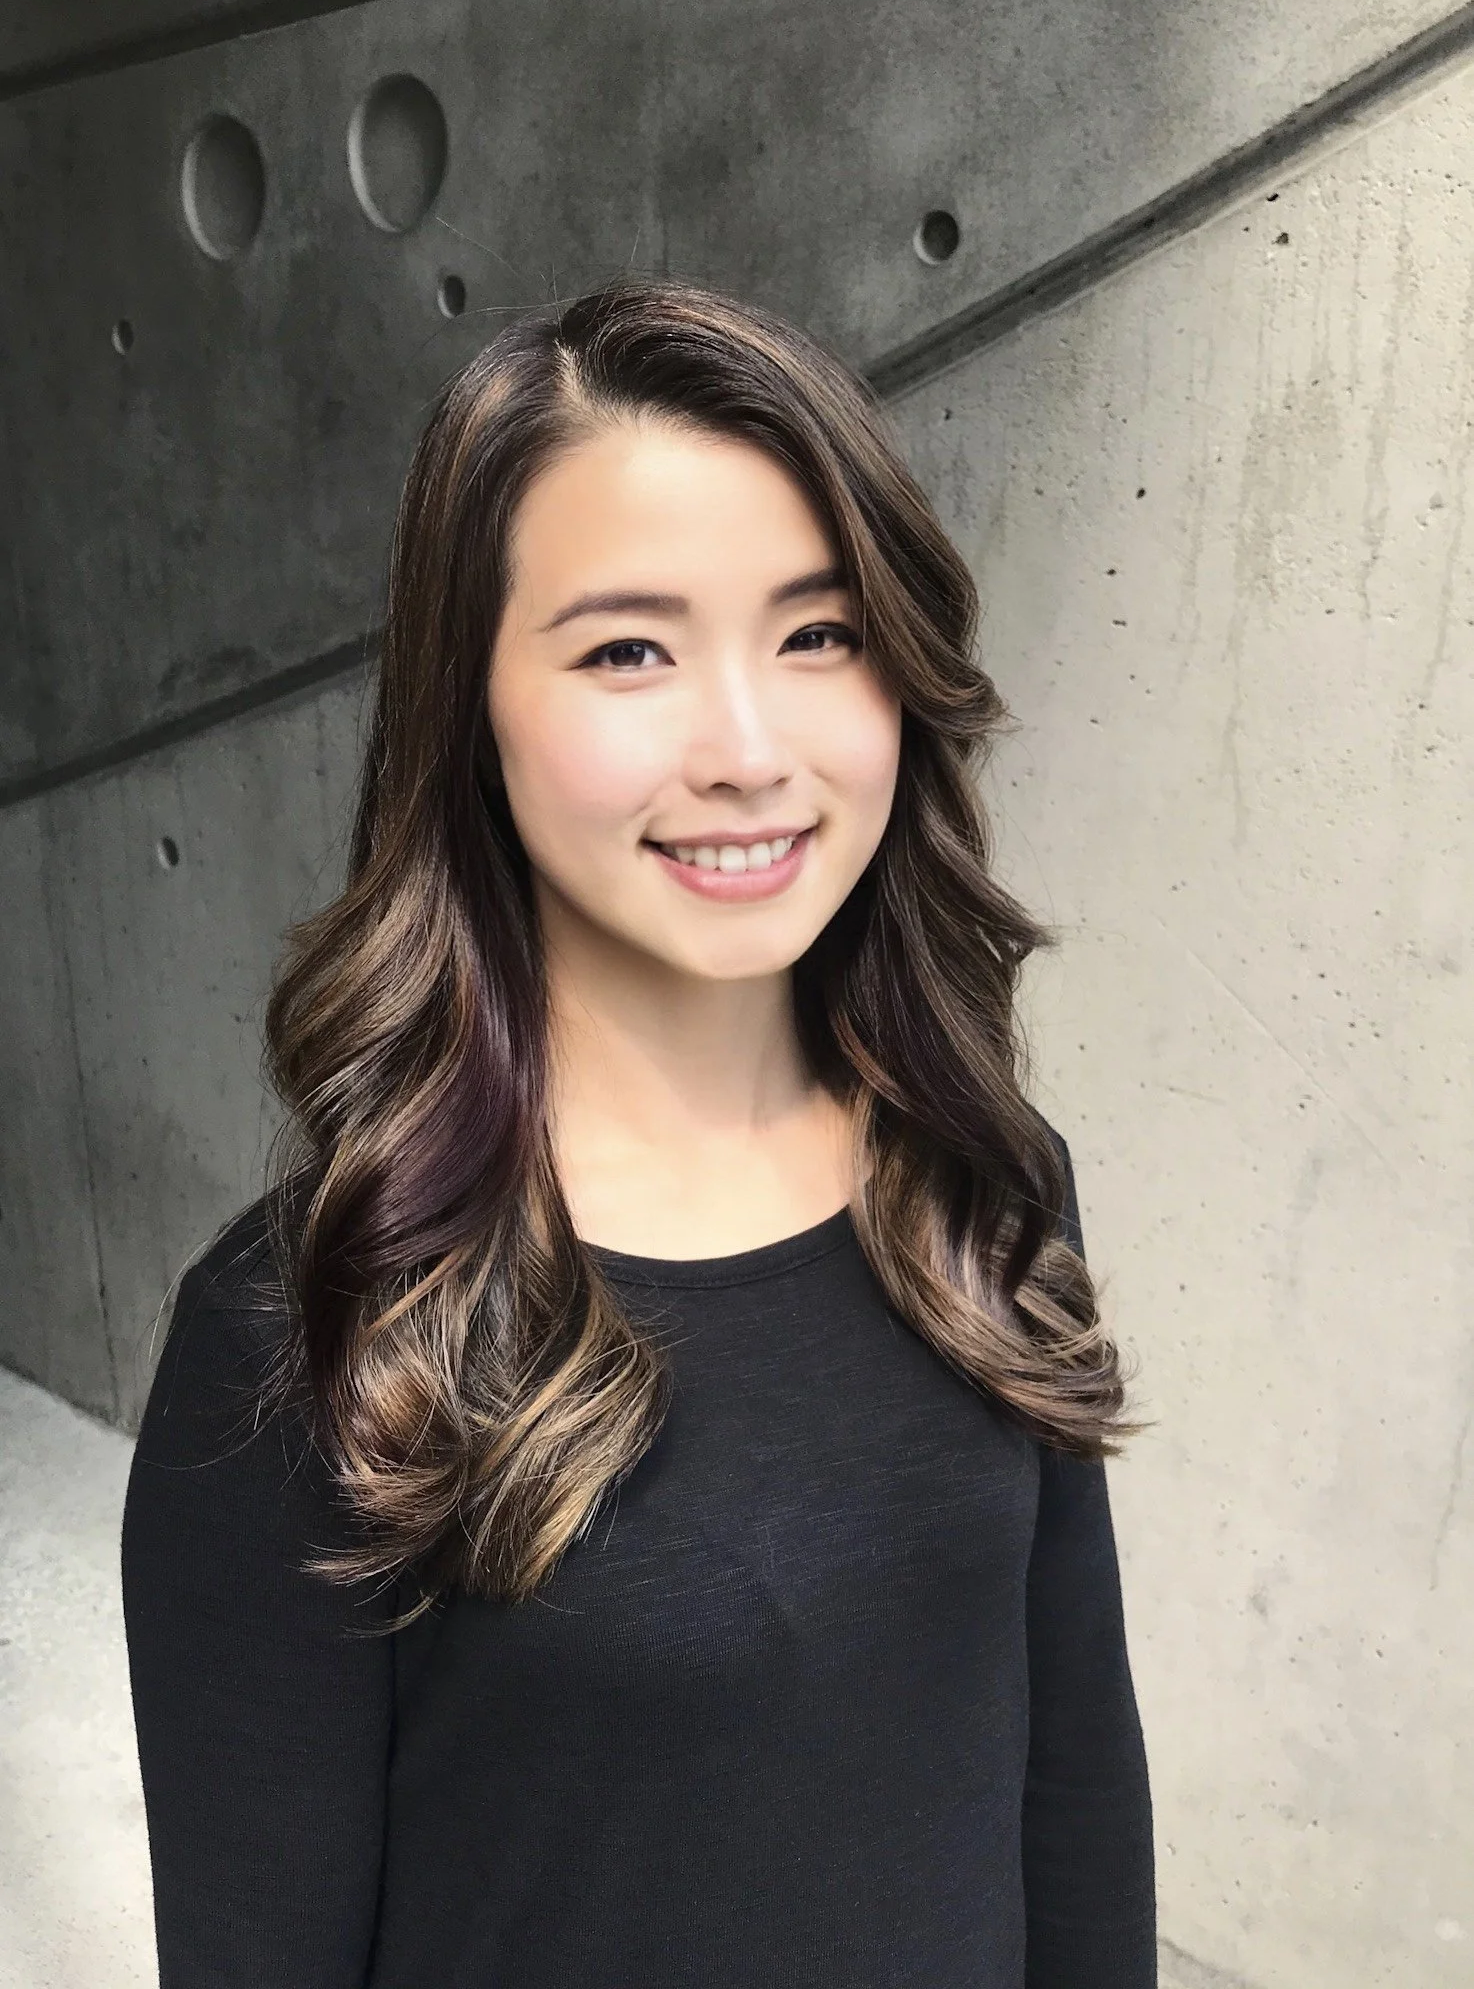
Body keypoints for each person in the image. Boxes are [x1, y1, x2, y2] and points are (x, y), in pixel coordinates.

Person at [120, 275, 1156, 1987]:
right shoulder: (306, 1329)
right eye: (626, 651)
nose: (746, 751)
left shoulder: (980, 1176)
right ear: (470, 708)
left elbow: (1074, 1797)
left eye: (817, 634)